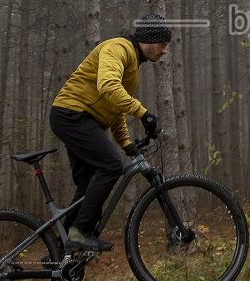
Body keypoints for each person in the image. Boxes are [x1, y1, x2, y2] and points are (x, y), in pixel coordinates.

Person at [48, 14, 171, 252]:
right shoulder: (118, 49)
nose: (165, 51)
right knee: (111, 166)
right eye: (162, 45)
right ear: (148, 39)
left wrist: (125, 142)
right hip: (71, 114)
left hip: (79, 119)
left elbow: (115, 105)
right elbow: (108, 86)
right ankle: (80, 234)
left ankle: (61, 256)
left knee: (87, 186)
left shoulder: (133, 63)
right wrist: (143, 113)